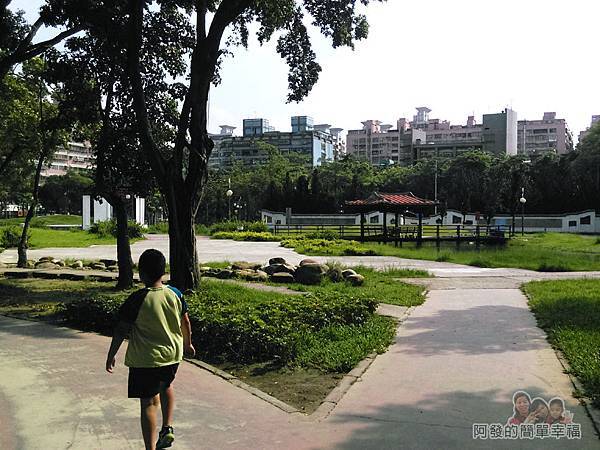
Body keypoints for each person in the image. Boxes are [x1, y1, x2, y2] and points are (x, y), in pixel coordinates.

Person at [105, 249, 195, 450]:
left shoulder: (137, 299)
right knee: (166, 386)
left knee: (148, 403)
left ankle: (150, 449)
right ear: (163, 272)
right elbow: (185, 322)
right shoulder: (175, 294)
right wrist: (188, 344)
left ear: (142, 273)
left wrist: (112, 354)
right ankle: (167, 427)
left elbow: (121, 330)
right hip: (172, 356)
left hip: (145, 359)